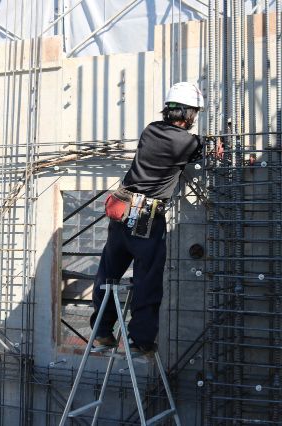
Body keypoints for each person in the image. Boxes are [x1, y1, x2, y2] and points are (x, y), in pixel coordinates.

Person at [90, 82, 210, 355]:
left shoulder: (151, 130)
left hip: (121, 215)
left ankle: (101, 333)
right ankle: (140, 340)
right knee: (146, 279)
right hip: (145, 219)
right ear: (189, 114)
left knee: (108, 274)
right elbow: (202, 150)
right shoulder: (186, 142)